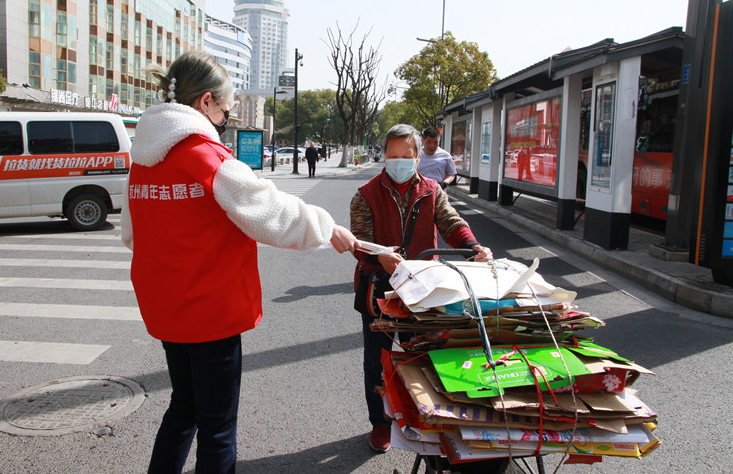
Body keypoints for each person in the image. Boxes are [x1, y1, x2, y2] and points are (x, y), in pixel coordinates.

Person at [121, 51, 358, 474]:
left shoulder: (142, 162)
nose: (225, 118)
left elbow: (130, 235)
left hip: (167, 309)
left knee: (183, 408)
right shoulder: (208, 158)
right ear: (206, 103)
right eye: (226, 110)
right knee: (217, 429)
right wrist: (327, 227)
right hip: (211, 314)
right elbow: (270, 211)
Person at [349, 124, 492, 453]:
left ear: (417, 157)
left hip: (423, 289)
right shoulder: (366, 193)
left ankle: (421, 416)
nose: (399, 161)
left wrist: (475, 247)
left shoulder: (431, 189)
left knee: (424, 356)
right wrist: (380, 254)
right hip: (378, 292)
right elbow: (358, 241)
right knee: (379, 359)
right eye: (393, 155)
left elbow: (452, 223)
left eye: (406, 155)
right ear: (384, 155)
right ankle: (381, 423)